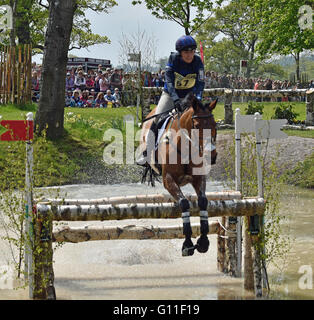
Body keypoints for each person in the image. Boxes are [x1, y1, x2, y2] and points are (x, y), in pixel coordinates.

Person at [137, 35, 205, 165]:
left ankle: (204, 151)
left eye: (192, 51)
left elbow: (200, 83)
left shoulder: (198, 61)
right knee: (157, 119)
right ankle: (147, 153)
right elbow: (169, 81)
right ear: (180, 53)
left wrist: (197, 99)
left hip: (189, 96)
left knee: (201, 119)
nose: (190, 55)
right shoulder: (173, 59)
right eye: (186, 52)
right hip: (170, 94)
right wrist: (175, 100)